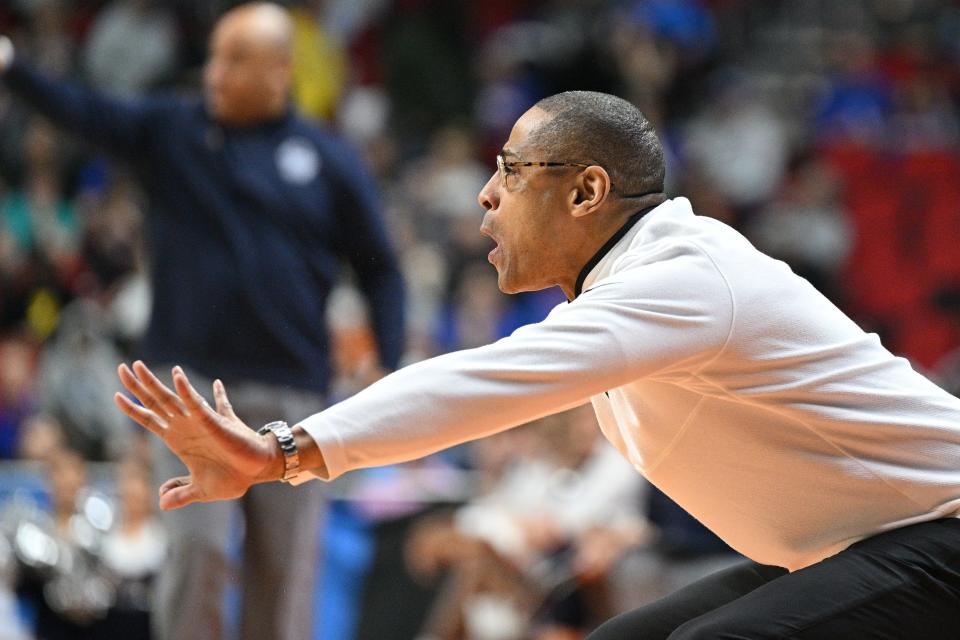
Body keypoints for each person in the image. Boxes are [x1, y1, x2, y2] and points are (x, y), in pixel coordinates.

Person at [115, 91, 960, 639]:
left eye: (511, 171)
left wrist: (283, 451)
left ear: (588, 193)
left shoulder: (684, 277)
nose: (485, 196)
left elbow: (481, 383)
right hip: (853, 545)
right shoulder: (626, 290)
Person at [0, 3, 405, 639]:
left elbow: (380, 265)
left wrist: (388, 357)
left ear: (280, 70)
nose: (214, 73)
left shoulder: (327, 159)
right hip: (189, 386)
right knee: (197, 553)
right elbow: (85, 111)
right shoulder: (173, 131)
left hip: (293, 390)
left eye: (235, 59)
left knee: (285, 570)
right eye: (214, 56)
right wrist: (11, 64)